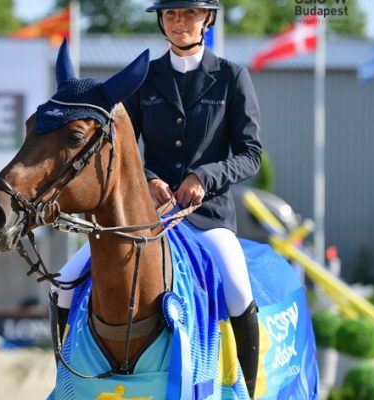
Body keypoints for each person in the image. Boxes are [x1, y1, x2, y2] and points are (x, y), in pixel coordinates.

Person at [56, 0, 263, 397]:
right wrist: (148, 178)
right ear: (161, 21)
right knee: (65, 281)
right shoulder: (146, 79)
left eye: (188, 13)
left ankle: (247, 391)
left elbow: (250, 153)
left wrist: (204, 175)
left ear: (208, 18)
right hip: (145, 215)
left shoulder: (232, 77)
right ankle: (65, 380)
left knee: (238, 290)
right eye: (170, 14)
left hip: (207, 214)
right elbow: (123, 147)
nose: (179, 22)